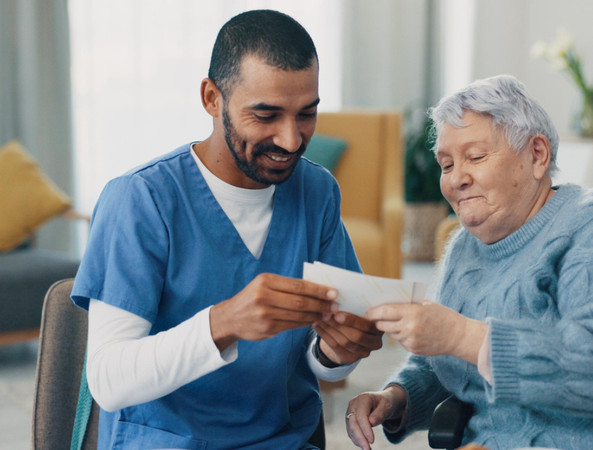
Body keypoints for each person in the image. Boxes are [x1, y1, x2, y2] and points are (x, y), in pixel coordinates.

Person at [346, 75, 593, 450]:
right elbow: (449, 356)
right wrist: (397, 396)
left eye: (474, 156)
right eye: (447, 164)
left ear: (537, 155)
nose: (456, 179)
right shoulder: (464, 248)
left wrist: (462, 335)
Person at [71, 10, 383, 449]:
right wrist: (226, 322)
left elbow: (322, 364)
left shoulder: (317, 193)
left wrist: (338, 352)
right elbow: (108, 379)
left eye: (306, 114)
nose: (292, 140)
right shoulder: (141, 200)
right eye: (266, 115)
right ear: (212, 98)